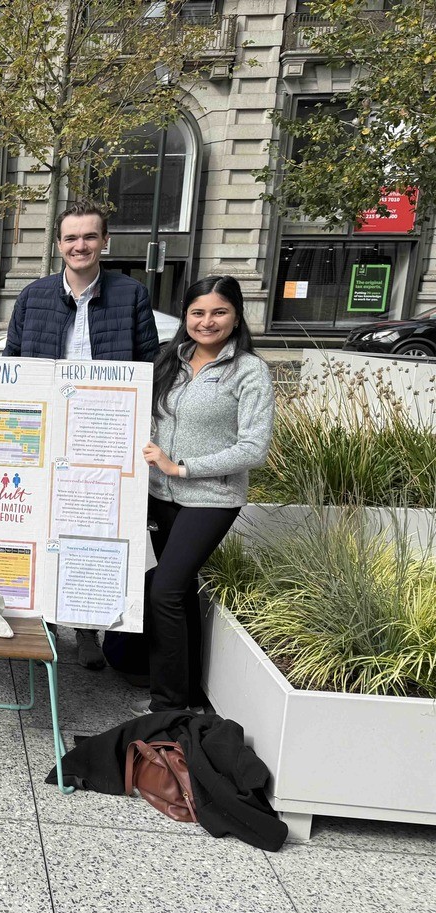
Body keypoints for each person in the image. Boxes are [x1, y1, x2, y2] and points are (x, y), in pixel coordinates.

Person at [3, 197, 160, 669]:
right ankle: (44, 623)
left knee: (92, 530)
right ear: (59, 244)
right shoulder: (33, 296)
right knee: (42, 525)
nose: (80, 245)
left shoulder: (131, 294)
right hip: (43, 435)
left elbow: (150, 363)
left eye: (90, 236)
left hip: (103, 436)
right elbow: (11, 364)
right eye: (71, 237)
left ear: (104, 242)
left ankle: (87, 628)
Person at [141, 275, 273, 713]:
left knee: (164, 590)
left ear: (236, 318)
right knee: (178, 590)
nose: (207, 321)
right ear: (185, 317)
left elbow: (253, 447)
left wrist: (182, 467)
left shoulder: (249, 370)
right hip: (162, 494)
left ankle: (168, 704)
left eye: (219, 312)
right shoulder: (169, 361)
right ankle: (191, 693)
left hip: (211, 498)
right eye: (198, 312)